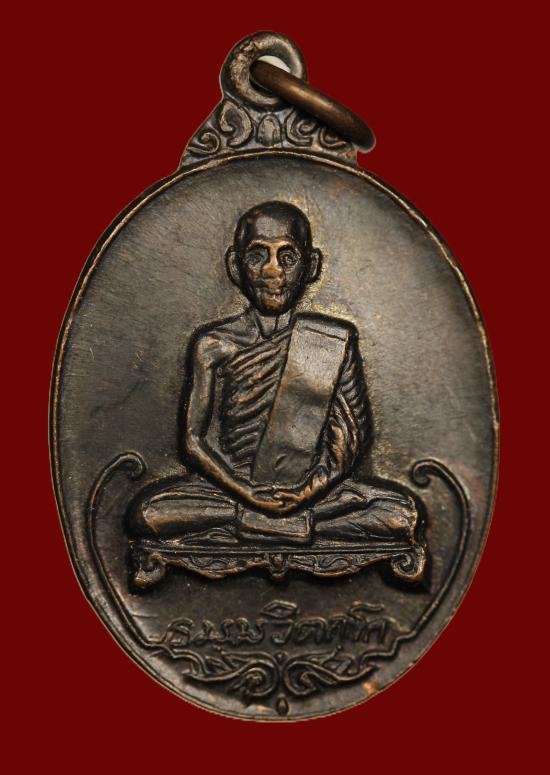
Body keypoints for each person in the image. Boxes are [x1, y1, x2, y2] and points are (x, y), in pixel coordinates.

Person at [128, 201, 419, 546]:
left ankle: (263, 523)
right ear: (235, 266)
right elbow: (193, 441)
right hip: (231, 490)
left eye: (287, 257)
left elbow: (348, 445)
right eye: (257, 256)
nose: (272, 270)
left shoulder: (334, 340)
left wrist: (303, 495)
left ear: (311, 266)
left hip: (313, 492)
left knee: (401, 514)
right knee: (147, 514)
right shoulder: (213, 344)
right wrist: (248, 493)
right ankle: (295, 524)